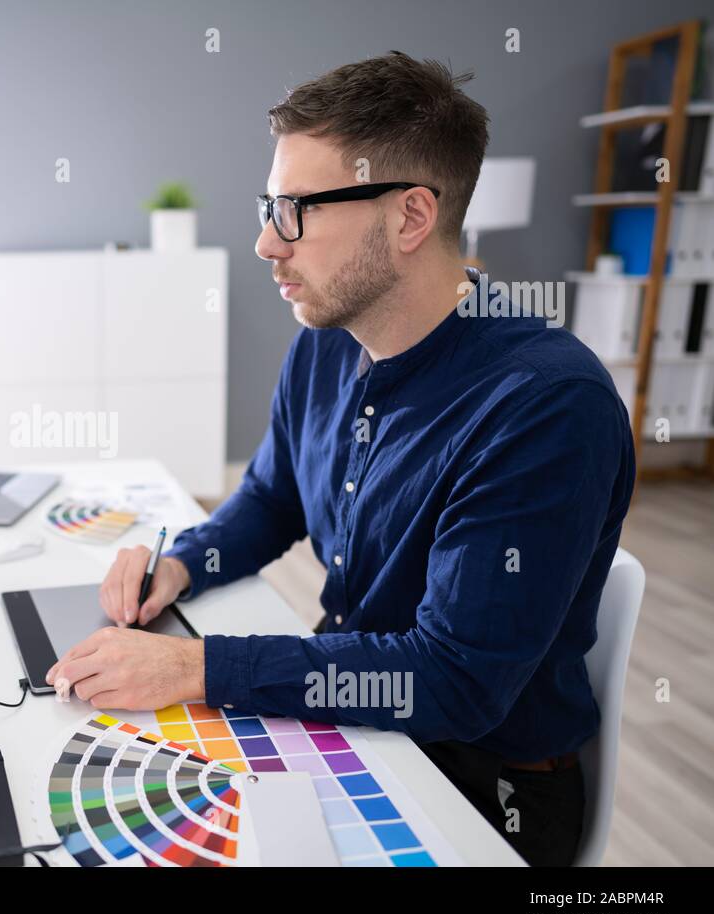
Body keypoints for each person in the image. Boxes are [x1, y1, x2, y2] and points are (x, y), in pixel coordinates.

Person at [45, 51, 634, 866]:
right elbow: (273, 496)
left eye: (295, 211)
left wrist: (196, 666)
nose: (264, 243)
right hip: (355, 714)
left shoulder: (544, 404)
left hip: (481, 785)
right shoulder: (328, 342)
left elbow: (454, 681)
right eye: (268, 206)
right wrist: (180, 565)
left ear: (410, 218)